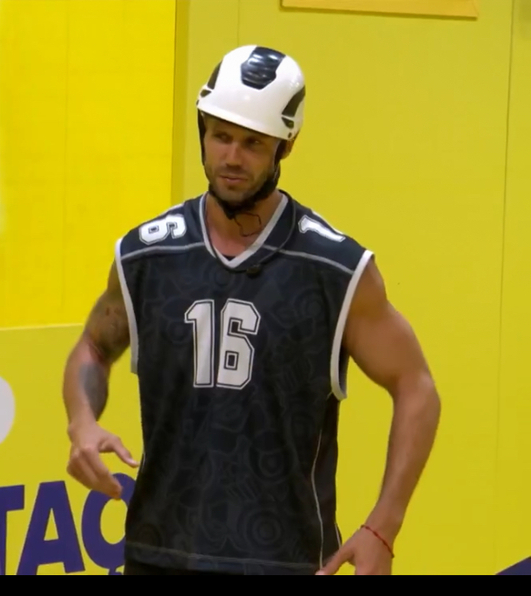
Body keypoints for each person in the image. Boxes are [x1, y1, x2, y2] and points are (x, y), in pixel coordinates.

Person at [62, 45, 441, 576]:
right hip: (158, 554)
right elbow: (94, 347)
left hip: (283, 561)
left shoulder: (333, 269)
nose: (232, 157)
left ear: (287, 144)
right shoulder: (149, 254)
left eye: (252, 143)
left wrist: (384, 524)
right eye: (220, 136)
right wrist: (82, 421)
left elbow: (417, 387)